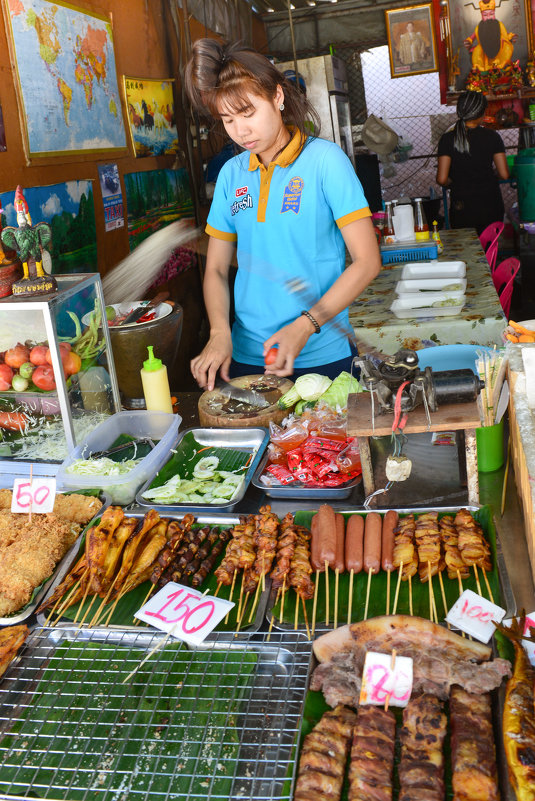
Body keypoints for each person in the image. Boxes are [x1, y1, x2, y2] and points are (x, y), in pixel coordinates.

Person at [184, 39, 381, 391]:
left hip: (323, 353)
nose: (239, 131)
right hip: (248, 357)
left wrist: (305, 325)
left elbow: (367, 262)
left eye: (248, 113)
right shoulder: (231, 174)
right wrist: (218, 332)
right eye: (227, 119)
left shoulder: (325, 161)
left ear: (277, 97)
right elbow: (215, 268)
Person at [436, 91, 509, 235]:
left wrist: (454, 183)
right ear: (482, 113)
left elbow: (442, 179)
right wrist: (491, 175)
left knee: (467, 250)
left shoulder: (447, 139)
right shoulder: (492, 137)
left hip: (462, 206)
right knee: (488, 249)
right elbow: (504, 174)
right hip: (490, 204)